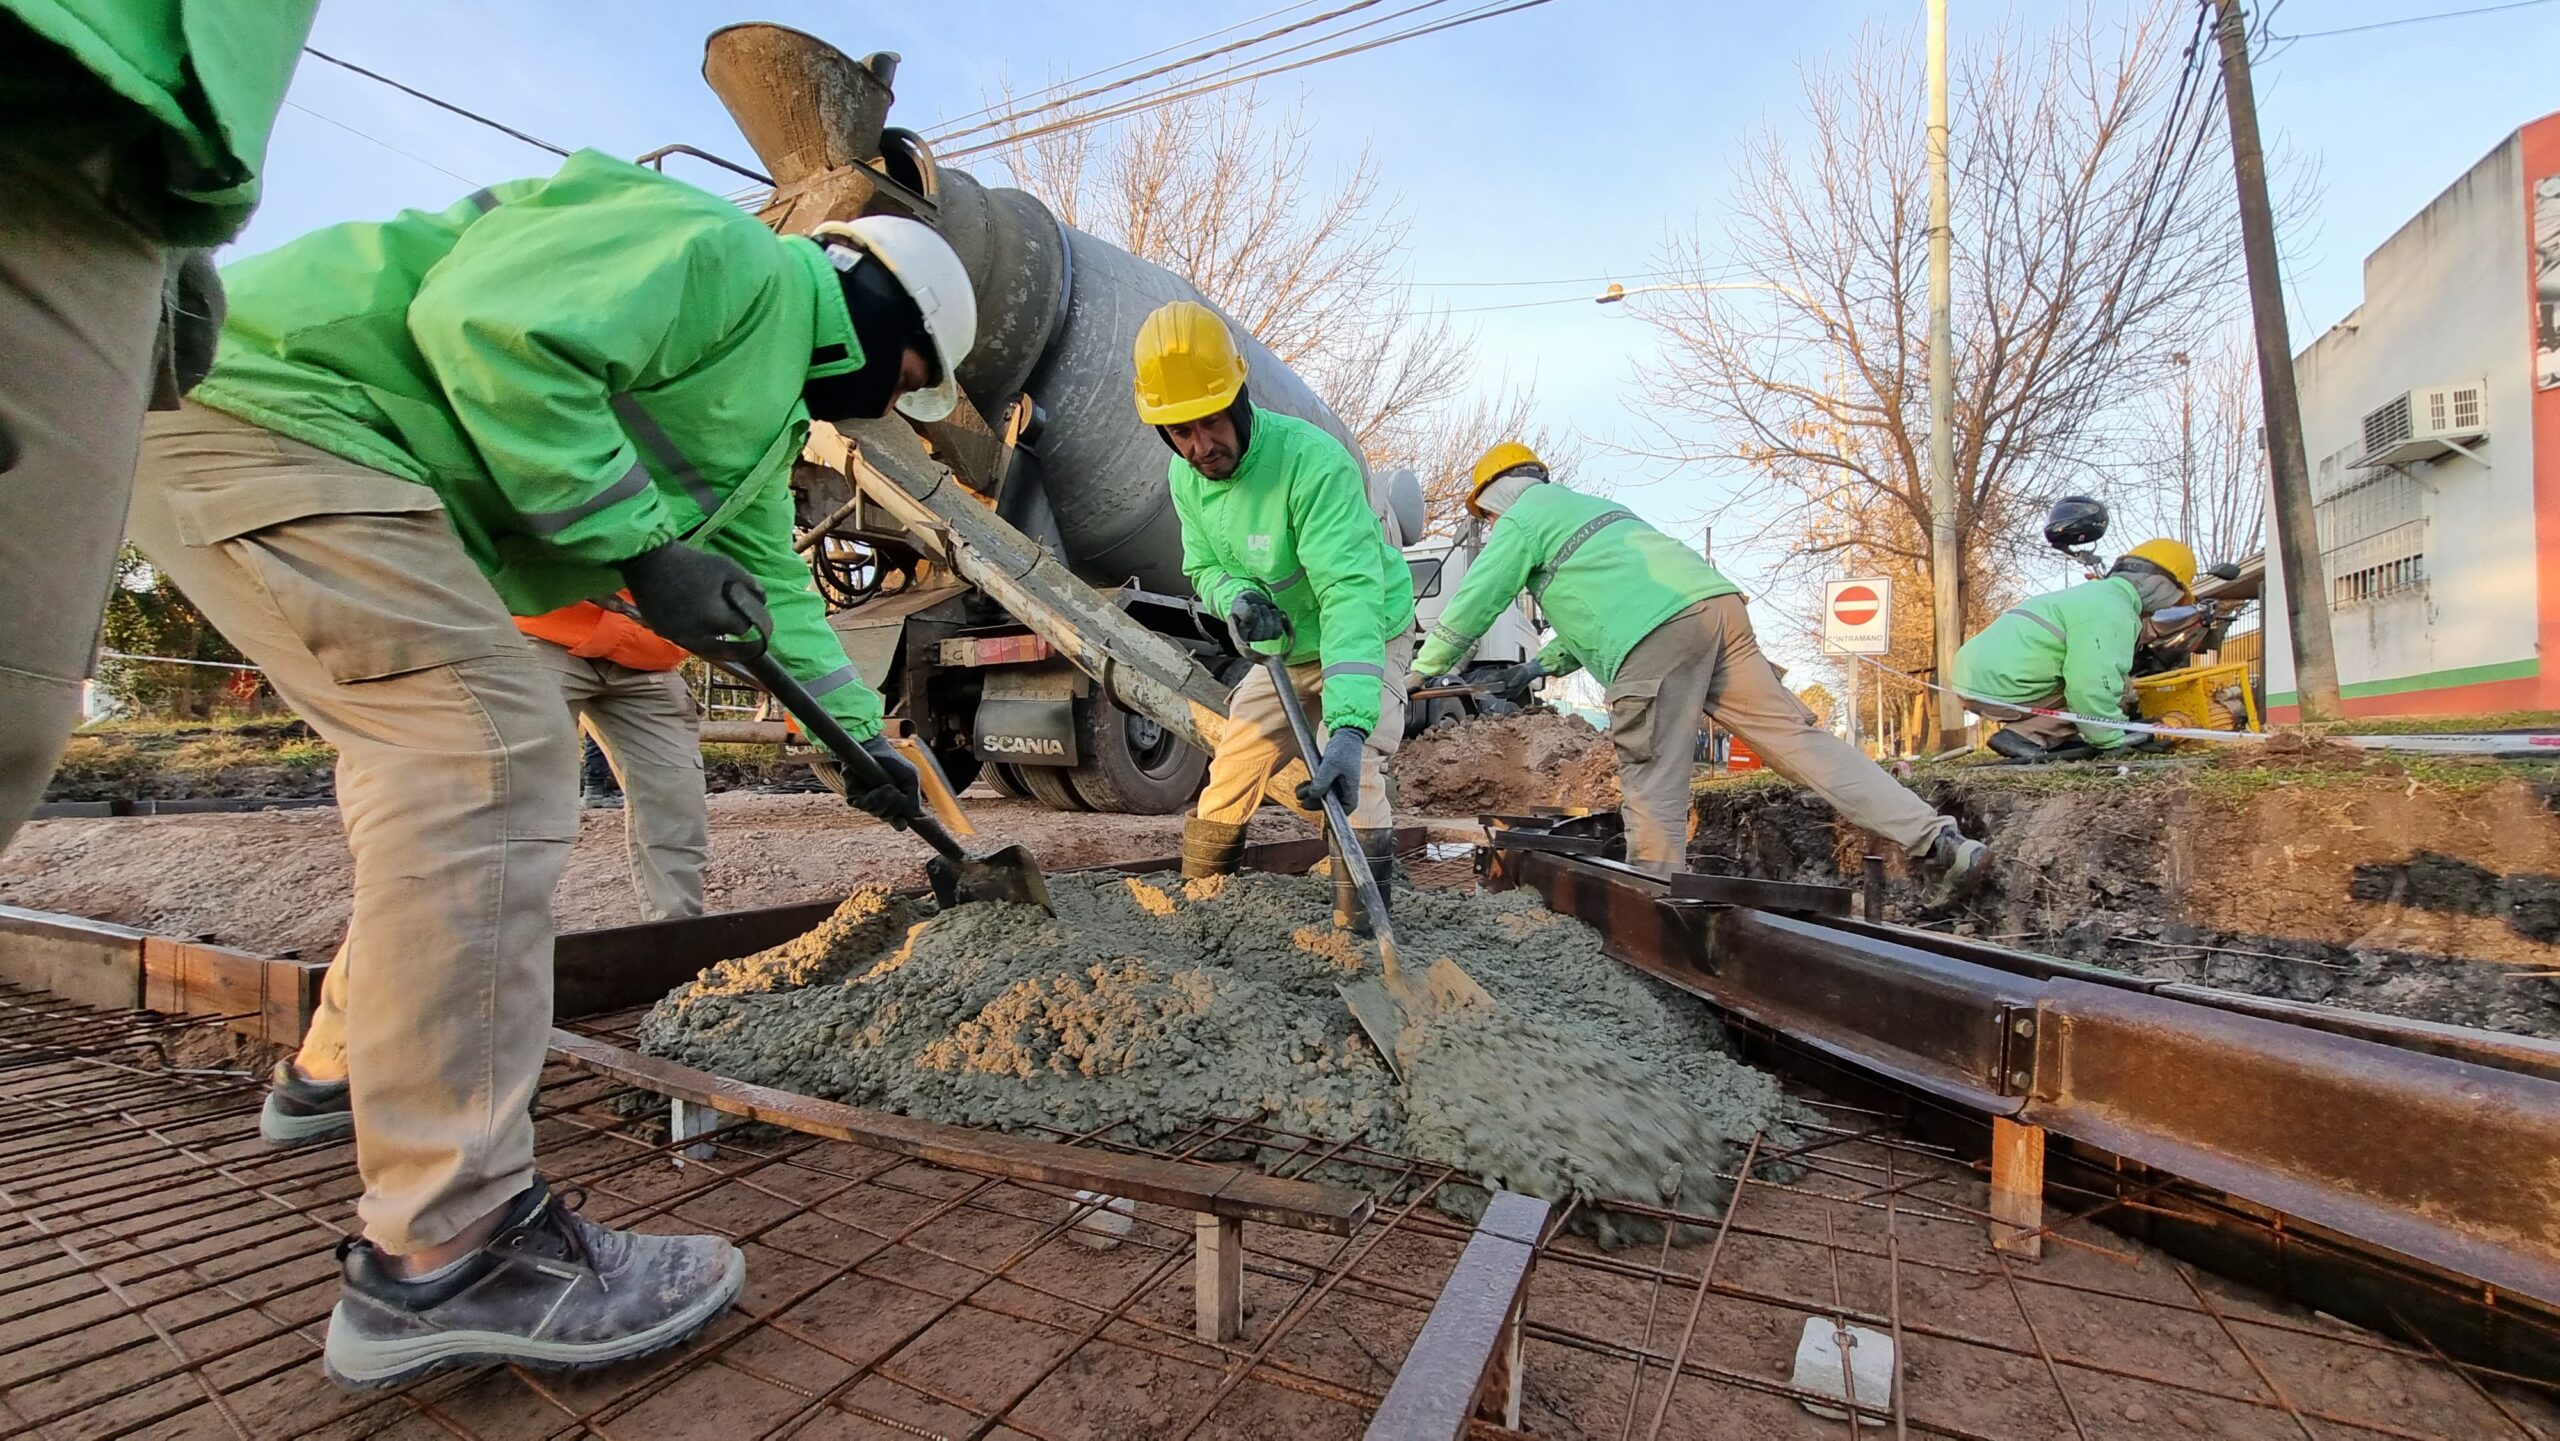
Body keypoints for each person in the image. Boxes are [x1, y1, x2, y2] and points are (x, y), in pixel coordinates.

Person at [133, 152, 974, 1388]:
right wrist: (636, 545)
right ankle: (455, 1247)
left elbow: (772, 606)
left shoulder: (753, 425)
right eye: (901, 378)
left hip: (302, 447)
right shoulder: (728, 259)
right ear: (878, 306)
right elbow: (485, 325)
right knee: (491, 763)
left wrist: (869, 750)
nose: (881, 407)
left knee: (430, 786)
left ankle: (342, 1073)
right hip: (287, 415)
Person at [0, 2, 316, 854]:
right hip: (72, 101)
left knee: (15, 704)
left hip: (127, 143)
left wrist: (178, 233)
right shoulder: (693, 246)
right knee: (486, 749)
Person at [1411, 444, 1988, 903]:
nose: (1487, 524)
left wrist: (1421, 670)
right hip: (1716, 611)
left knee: (1654, 778)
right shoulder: (1593, 509)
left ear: (1497, 494)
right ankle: (1938, 838)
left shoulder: (1524, 516)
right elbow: (1607, 609)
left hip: (1658, 637)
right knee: (1799, 741)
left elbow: (1476, 600)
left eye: (1485, 515)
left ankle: (1650, 915)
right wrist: (1541, 663)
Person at [1136, 301, 1414, 928]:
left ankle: (1363, 930)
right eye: (1181, 433)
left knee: (1358, 767)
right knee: (1235, 759)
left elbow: (1349, 594)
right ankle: (1202, 906)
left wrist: (1345, 728)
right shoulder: (1186, 479)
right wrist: (1237, 597)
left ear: (1238, 398)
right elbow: (1203, 568)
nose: (1201, 447)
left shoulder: (1311, 464)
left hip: (1366, 628)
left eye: (1211, 424)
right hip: (1288, 644)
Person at [520, 599, 707, 919]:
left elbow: (776, 588)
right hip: (542, 628)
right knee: (519, 802)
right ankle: (503, 958)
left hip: (649, 649)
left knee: (676, 803)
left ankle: (680, 946)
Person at [1954, 540, 2195, 762]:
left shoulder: (2092, 594)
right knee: (2111, 690)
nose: (2167, 608)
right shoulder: (2113, 609)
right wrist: (2112, 739)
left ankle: (2034, 734)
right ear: (2163, 586)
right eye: (2173, 600)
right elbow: (2091, 684)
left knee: (2091, 690)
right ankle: (2028, 735)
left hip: (1970, 679)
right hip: (2004, 685)